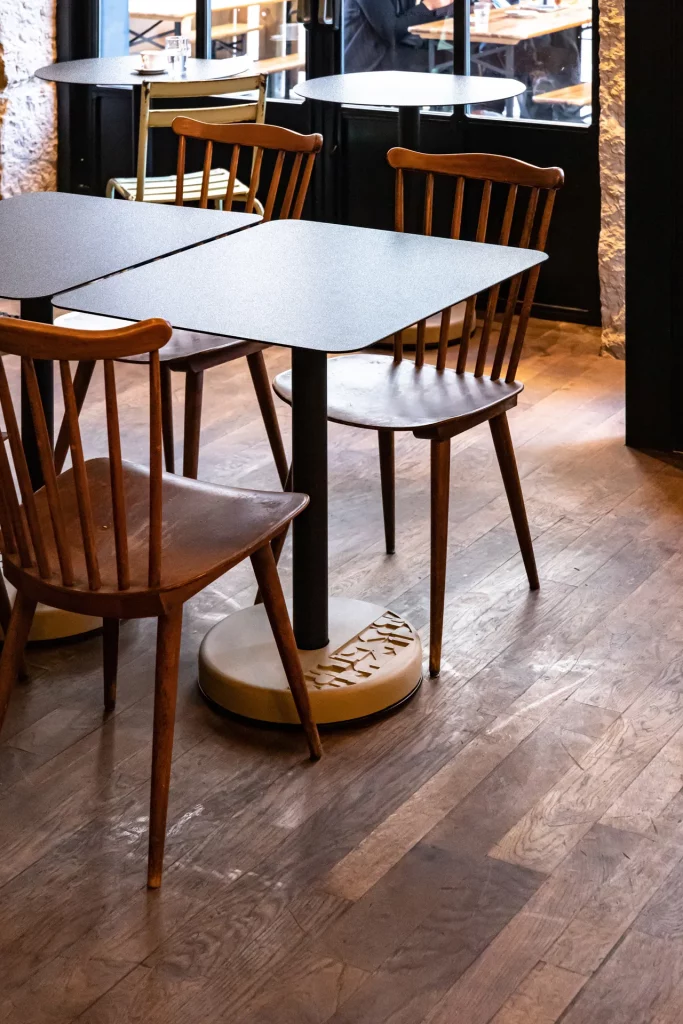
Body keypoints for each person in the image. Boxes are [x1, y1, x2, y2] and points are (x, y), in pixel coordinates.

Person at [344, 0, 453, 73]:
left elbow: (410, 22)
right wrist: (429, 6)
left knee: (459, 59)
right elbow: (392, 31)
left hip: (398, 53)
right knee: (454, 66)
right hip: (368, 66)